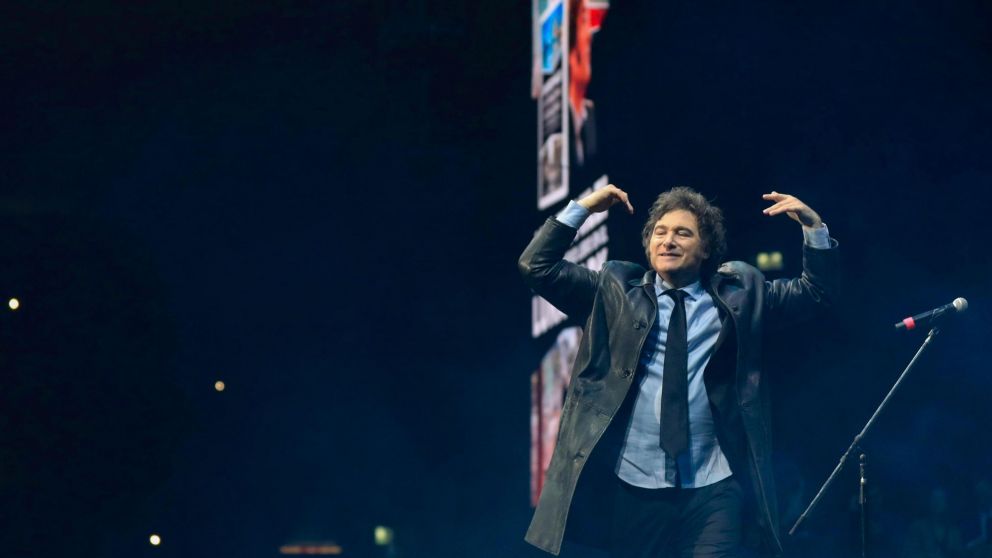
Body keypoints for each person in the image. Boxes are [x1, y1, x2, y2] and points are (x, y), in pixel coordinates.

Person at [518, 185, 839, 557]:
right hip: (635, 486)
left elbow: (816, 292)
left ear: (705, 249)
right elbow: (536, 266)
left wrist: (814, 227)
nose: (668, 241)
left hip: (714, 487)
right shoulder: (614, 291)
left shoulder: (740, 295)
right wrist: (584, 207)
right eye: (660, 232)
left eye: (682, 233)